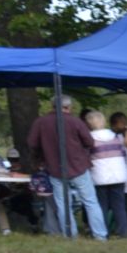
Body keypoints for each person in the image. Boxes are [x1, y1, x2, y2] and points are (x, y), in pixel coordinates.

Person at [27, 96, 102, 239]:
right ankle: (100, 235)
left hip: (54, 167)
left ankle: (70, 235)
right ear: (69, 107)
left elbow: (32, 143)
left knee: (63, 204)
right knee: (91, 201)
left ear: (52, 106)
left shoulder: (41, 122)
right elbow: (89, 142)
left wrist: (43, 154)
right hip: (78, 165)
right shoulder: (75, 121)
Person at [84, 110, 127, 237]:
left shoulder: (89, 139)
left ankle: (103, 231)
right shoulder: (115, 137)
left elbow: (87, 157)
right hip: (118, 175)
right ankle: (123, 232)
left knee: (101, 205)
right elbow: (124, 154)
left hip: (99, 176)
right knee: (119, 205)